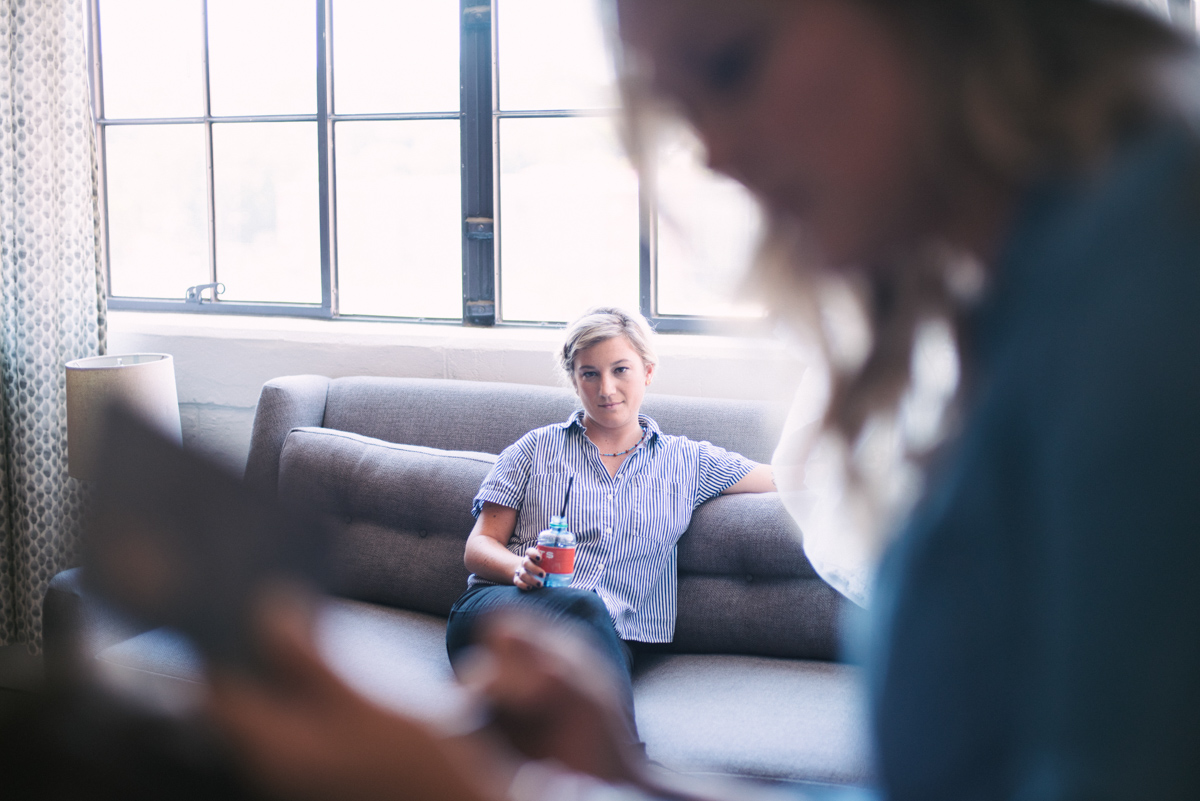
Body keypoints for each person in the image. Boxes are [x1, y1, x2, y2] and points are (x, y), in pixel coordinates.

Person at [210, 1, 1200, 799]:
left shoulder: (1150, 270)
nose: (714, 155)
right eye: (682, 108)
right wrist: (628, 775)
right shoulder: (980, 318)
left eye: (730, 63)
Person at [445, 307, 775, 744]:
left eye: (621, 370)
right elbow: (480, 545)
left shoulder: (688, 462)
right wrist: (516, 568)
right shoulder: (534, 450)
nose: (606, 389)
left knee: (561, 710)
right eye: (589, 374)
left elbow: (785, 477)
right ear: (574, 380)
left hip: (606, 639)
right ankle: (627, 762)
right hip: (502, 612)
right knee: (582, 605)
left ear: (648, 372)